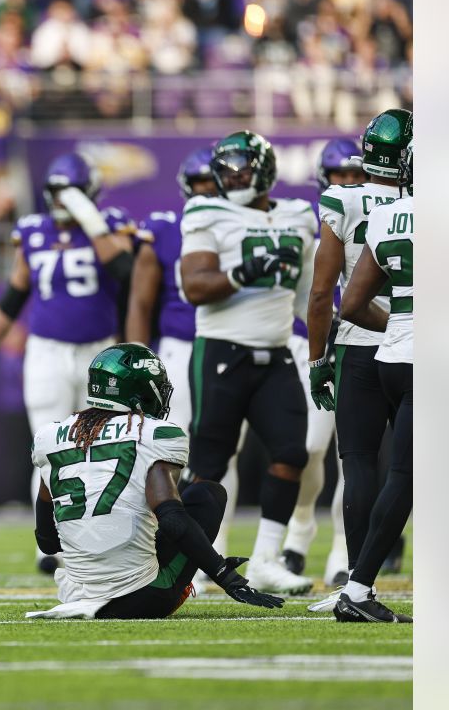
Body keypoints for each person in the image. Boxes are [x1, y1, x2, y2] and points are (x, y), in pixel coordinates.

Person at [0, 151, 136, 574]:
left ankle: (101, 535)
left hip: (101, 351)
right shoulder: (34, 232)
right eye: (57, 192)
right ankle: (48, 542)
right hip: (46, 350)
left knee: (104, 444)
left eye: (69, 192)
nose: (61, 201)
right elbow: (14, 297)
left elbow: (127, 271)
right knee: (48, 445)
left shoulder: (109, 224)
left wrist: (88, 217)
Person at [25, 343, 284, 619]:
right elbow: (173, 520)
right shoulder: (154, 434)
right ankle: (176, 585)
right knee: (207, 495)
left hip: (75, 595)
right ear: (138, 392)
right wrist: (225, 575)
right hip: (140, 598)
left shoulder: (49, 438)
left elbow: (47, 542)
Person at [178, 130, 317, 595]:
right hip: (222, 350)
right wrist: (242, 273)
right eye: (228, 167)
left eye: (244, 166)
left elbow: (308, 297)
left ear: (265, 170)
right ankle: (190, 563)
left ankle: (265, 560)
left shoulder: (298, 217)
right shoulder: (207, 211)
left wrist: (326, 349)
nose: (235, 175)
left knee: (292, 454)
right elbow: (194, 287)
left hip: (277, 352)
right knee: (209, 463)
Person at [304, 111, 412, 608]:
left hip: (357, 343)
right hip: (412, 344)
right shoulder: (416, 202)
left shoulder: (344, 199)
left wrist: (316, 357)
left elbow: (325, 288)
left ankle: (353, 578)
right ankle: (359, 582)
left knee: (359, 463)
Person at [127, 146, 245, 592]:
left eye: (208, 187)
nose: (202, 195)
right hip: (176, 347)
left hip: (224, 339)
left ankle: (215, 543)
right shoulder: (164, 227)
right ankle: (162, 549)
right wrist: (136, 357)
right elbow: (141, 298)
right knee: (167, 448)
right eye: (195, 188)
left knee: (219, 446)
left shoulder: (238, 225)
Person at [278, 137, 368, 586]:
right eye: (340, 177)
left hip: (357, 341)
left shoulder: (379, 221)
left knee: (352, 455)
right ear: (324, 180)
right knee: (310, 449)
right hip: (308, 345)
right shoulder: (302, 226)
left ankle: (342, 548)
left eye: (356, 176)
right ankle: (300, 528)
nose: (349, 184)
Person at [331, 140, 413, 623]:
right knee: (404, 477)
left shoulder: (387, 216)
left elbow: (352, 305)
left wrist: (404, 324)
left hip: (393, 357)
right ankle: (357, 590)